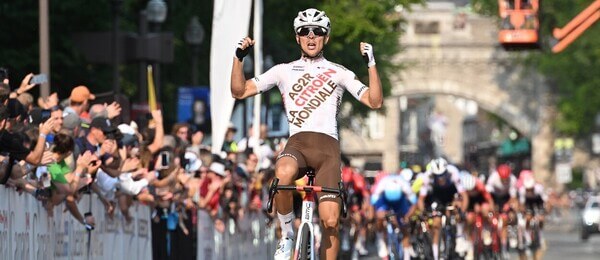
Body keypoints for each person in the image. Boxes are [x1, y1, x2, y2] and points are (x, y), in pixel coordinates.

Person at [230, 8, 382, 260]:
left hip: (328, 151)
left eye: (318, 32)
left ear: (326, 38)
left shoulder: (339, 72)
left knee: (331, 222)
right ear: (297, 38)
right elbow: (239, 91)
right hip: (298, 143)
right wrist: (238, 58)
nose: (311, 36)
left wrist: (372, 64)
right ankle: (287, 235)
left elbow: (374, 101)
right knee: (283, 173)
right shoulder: (283, 71)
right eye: (304, 31)